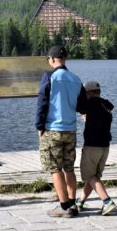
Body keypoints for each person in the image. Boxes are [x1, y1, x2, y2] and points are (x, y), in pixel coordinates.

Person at [36, 45, 87, 218]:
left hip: (53, 129)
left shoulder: (49, 77)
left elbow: (42, 103)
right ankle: (72, 204)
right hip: (70, 130)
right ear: (64, 59)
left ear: (51, 59)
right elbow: (82, 107)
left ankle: (64, 206)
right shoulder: (76, 79)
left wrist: (39, 127)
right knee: (69, 167)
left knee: (55, 168)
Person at [76, 80, 116, 215]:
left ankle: (107, 201)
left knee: (89, 175)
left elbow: (79, 107)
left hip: (92, 146)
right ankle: (80, 202)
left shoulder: (91, 103)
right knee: (93, 177)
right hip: (105, 146)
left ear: (90, 93)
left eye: (85, 94)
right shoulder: (105, 105)